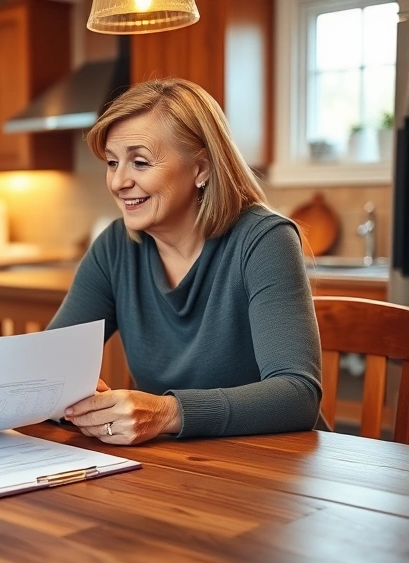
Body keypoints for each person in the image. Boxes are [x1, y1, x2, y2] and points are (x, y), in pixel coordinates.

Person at [48, 78, 321, 446]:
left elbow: (298, 395)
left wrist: (166, 412)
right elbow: (46, 366)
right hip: (176, 467)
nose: (118, 181)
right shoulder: (115, 247)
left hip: (278, 465)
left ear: (201, 169)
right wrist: (64, 391)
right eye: (113, 162)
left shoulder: (264, 241)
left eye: (140, 162)